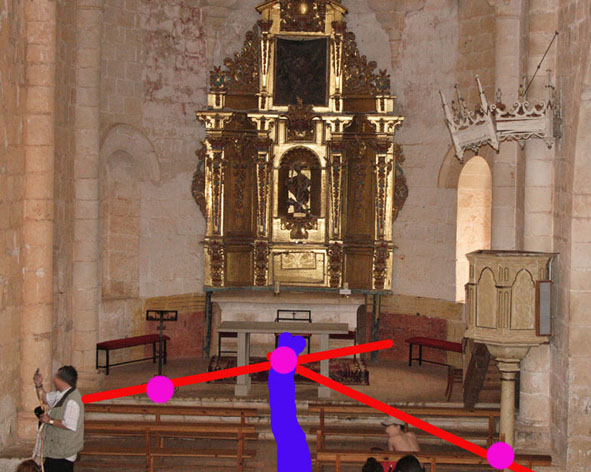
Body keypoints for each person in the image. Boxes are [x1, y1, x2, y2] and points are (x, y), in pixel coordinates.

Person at [32, 366, 85, 472]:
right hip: (55, 451)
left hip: (63, 454)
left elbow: (69, 425)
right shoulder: (61, 394)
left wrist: (50, 420)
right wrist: (38, 385)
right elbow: (45, 398)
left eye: (55, 377)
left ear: (61, 380)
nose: (53, 379)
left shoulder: (72, 400)